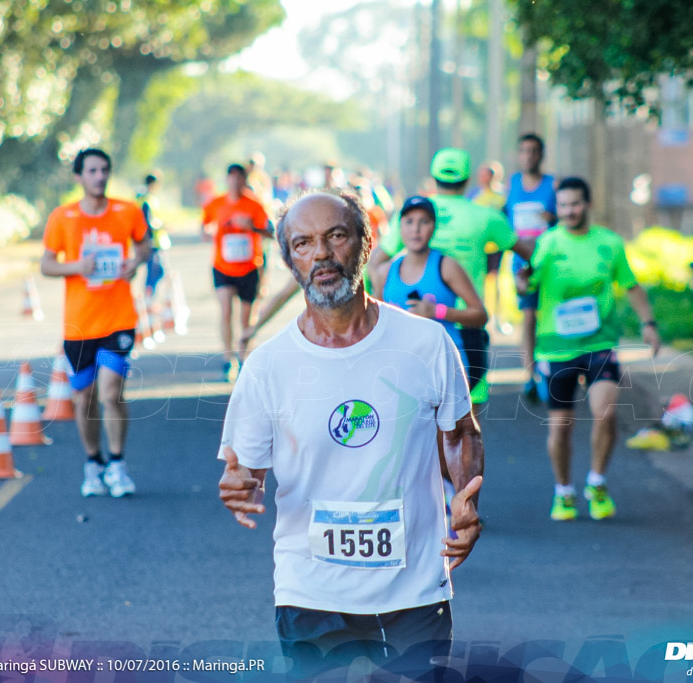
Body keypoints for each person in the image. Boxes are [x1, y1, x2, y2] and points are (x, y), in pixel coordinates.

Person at [217, 190, 484, 678]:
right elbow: (247, 471)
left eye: (335, 236)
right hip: (310, 587)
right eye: (303, 243)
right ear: (290, 261)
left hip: (414, 585)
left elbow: (459, 433)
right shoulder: (267, 367)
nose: (320, 253)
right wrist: (240, 488)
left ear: (364, 245)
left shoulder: (426, 343)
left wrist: (466, 499)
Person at [517, 177, 660, 521]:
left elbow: (631, 286)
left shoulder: (609, 243)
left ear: (588, 204)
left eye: (576, 204)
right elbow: (529, 291)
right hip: (557, 349)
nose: (570, 211)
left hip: (600, 343)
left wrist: (648, 324)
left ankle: (596, 482)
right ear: (558, 209)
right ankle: (564, 490)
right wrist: (528, 352)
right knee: (560, 429)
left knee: (605, 412)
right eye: (563, 205)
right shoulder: (549, 244)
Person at [369, 148, 534, 419]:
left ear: (433, 177)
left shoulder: (411, 216)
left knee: (420, 425)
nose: (418, 228)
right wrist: (526, 278)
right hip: (466, 327)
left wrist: (380, 292)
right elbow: (529, 255)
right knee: (467, 428)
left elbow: (377, 260)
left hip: (417, 331)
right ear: (468, 179)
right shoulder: (486, 216)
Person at [40, 148, 151, 498]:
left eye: (104, 170)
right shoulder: (63, 217)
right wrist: (77, 267)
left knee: (110, 393)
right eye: (92, 170)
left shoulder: (127, 212)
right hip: (79, 325)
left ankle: (117, 464)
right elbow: (46, 264)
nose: (99, 176)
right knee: (83, 398)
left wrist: (135, 262)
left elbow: (145, 246)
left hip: (118, 319)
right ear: (79, 177)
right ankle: (93, 463)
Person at [373, 195, 487, 370]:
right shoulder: (385, 272)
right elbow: (375, 324)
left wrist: (437, 311)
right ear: (400, 227)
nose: (416, 229)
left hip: (445, 367)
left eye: (424, 222)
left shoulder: (446, 266)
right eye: (409, 222)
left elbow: (480, 315)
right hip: (402, 369)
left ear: (434, 227)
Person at [201, 163, 272, 380]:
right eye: (230, 177)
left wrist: (252, 227)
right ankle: (227, 358)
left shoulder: (254, 205)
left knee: (246, 317)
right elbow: (204, 227)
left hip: (249, 267)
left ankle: (243, 356)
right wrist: (207, 231)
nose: (234, 181)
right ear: (226, 180)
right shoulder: (216, 203)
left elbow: (270, 233)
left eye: (238, 177)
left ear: (244, 180)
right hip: (223, 267)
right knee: (225, 311)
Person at [505, 133, 558, 402]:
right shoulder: (512, 185)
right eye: (524, 150)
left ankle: (555, 367)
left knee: (550, 316)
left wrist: (553, 218)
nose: (529, 155)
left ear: (541, 155)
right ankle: (530, 376)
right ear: (519, 154)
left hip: (551, 261)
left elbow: (566, 218)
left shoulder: (552, 185)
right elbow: (503, 219)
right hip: (522, 264)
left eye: (534, 151)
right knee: (528, 316)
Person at [468, 161, 509, 335]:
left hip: (498, 247)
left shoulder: (502, 196)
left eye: (489, 174)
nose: (486, 177)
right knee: (480, 282)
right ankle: (484, 317)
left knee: (498, 282)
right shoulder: (474, 195)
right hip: (480, 247)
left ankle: (500, 318)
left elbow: (507, 219)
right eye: (484, 174)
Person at [138, 173, 166, 299]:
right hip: (150, 241)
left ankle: (150, 294)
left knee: (158, 270)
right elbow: (147, 222)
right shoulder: (146, 201)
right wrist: (159, 226)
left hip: (155, 241)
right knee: (154, 270)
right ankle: (148, 296)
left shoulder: (151, 199)